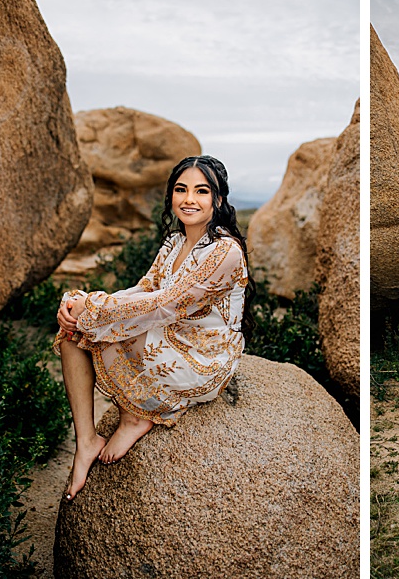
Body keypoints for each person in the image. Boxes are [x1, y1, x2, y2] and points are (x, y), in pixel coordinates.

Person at [54, 155, 254, 501]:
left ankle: (137, 416)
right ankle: (86, 441)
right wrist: (83, 303)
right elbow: (143, 291)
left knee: (98, 324)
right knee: (74, 330)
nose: (189, 199)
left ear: (218, 200)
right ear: (171, 196)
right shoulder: (175, 243)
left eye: (201, 191)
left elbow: (168, 304)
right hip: (168, 332)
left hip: (202, 354)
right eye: (181, 189)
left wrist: (96, 308)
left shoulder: (225, 251)